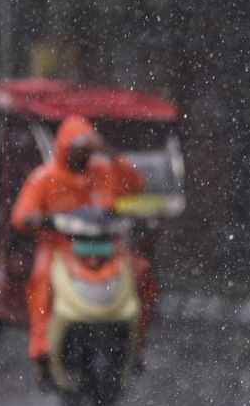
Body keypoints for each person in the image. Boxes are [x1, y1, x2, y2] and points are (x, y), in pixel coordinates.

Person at [10, 115, 150, 386]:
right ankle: (42, 351)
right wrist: (38, 219)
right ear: (64, 150)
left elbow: (136, 185)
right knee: (41, 282)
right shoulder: (44, 178)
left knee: (141, 274)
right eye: (79, 150)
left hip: (108, 248)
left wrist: (110, 154)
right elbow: (21, 215)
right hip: (61, 248)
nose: (84, 156)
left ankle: (137, 343)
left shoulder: (105, 172)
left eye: (88, 150)